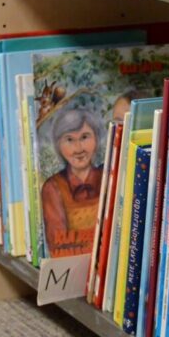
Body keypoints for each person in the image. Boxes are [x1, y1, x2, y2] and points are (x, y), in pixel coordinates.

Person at [40, 107, 103, 256]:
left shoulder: (108, 177)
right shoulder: (53, 188)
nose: (78, 149)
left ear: (96, 138)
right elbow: (57, 246)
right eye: (69, 140)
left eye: (84, 137)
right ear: (58, 145)